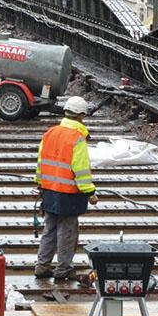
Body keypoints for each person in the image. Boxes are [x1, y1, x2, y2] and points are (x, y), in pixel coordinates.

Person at [34, 96, 97, 281]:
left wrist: (40, 183)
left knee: (50, 229)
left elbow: (40, 162)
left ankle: (42, 266)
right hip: (69, 193)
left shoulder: (50, 132)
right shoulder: (77, 138)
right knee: (67, 232)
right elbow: (81, 170)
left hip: (49, 190)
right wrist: (90, 192)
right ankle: (64, 269)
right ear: (81, 115)